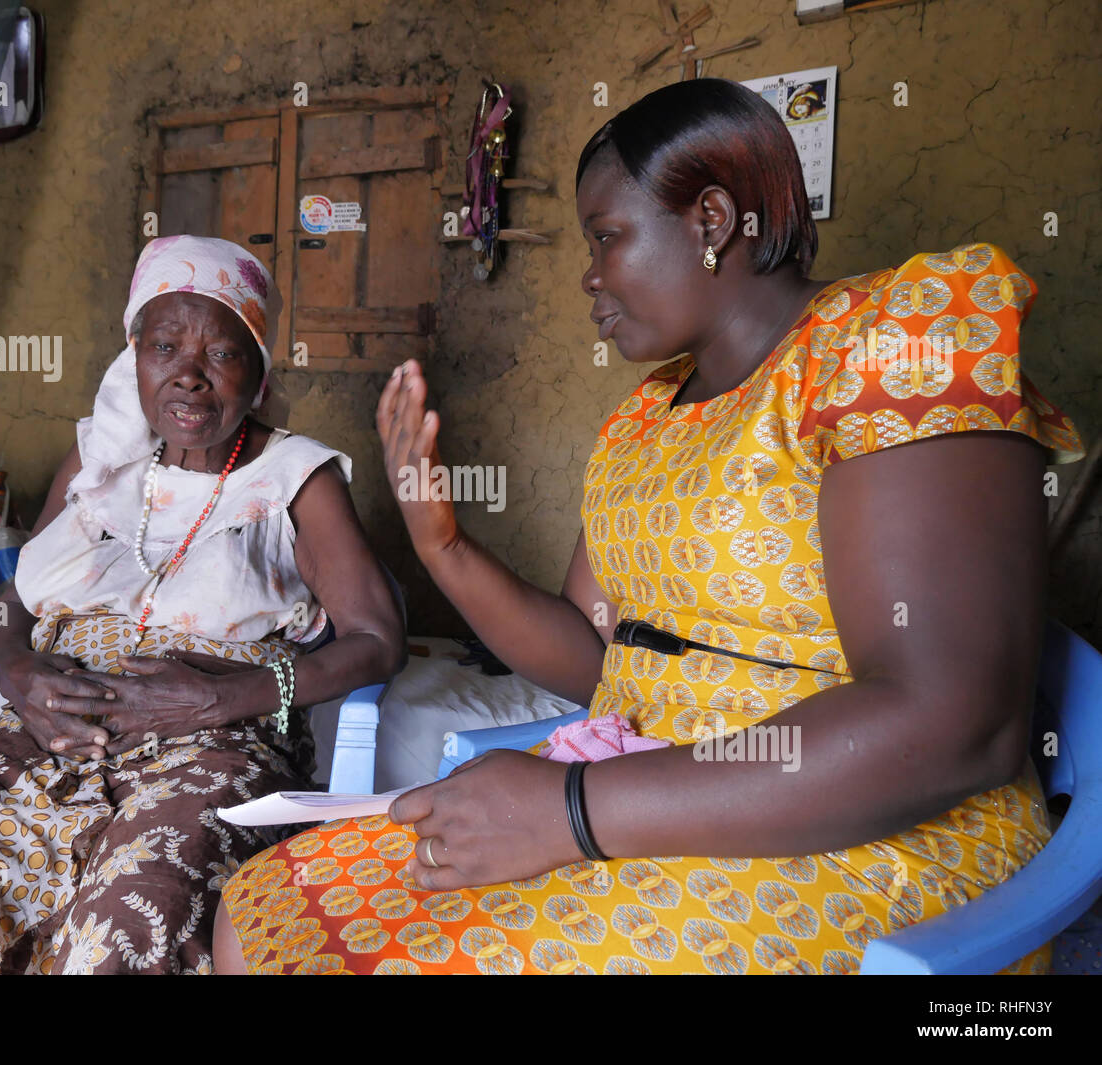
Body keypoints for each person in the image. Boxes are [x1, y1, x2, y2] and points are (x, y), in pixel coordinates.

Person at [215, 79, 1085, 975]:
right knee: (268, 904)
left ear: (710, 221)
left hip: (855, 838)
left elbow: (951, 722)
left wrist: (575, 810)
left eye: (606, 237)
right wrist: (441, 540)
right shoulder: (648, 415)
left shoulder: (897, 343)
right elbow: (599, 658)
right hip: (644, 791)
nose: (589, 274)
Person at [0, 235, 405, 974]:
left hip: (216, 742)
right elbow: (11, 600)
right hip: (48, 724)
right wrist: (17, 670)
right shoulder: (97, 464)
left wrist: (213, 699)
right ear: (134, 356)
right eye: (164, 346)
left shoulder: (296, 479)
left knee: (127, 925)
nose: (188, 375)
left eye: (220, 352)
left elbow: (377, 638)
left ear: (257, 370)